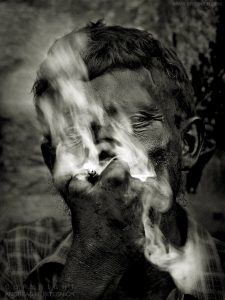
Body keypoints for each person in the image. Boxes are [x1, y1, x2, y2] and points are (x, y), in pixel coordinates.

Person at [0, 21, 224, 300]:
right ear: (53, 164)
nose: (106, 148)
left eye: (136, 122)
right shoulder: (16, 258)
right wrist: (93, 261)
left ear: (188, 145)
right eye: (75, 132)